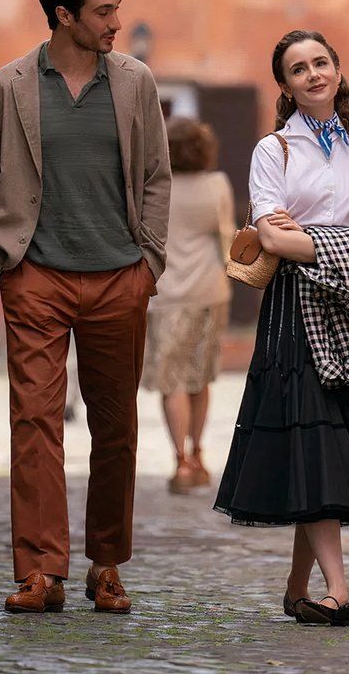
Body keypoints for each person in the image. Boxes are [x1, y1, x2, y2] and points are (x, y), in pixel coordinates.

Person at [0, 0, 170, 616]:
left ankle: (105, 566)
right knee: (34, 422)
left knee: (115, 427)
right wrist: (6, 267)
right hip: (37, 279)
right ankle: (40, 572)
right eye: (104, 10)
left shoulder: (135, 83)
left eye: (117, 7)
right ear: (64, 14)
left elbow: (157, 180)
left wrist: (150, 265)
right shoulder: (8, 87)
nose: (117, 21)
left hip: (120, 278)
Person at [213, 30, 349, 628]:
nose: (313, 74)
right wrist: (346, 244)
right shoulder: (272, 151)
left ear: (337, 70)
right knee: (318, 440)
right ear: (284, 86)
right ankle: (339, 591)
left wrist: (312, 240)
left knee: (328, 442)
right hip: (293, 314)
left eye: (321, 63)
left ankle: (297, 587)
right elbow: (271, 237)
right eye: (298, 69)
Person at [142, 117, 234, 494]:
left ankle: (179, 459)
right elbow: (226, 239)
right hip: (210, 290)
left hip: (164, 295)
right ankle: (198, 454)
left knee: (172, 380)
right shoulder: (217, 185)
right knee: (200, 376)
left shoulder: (155, 188)